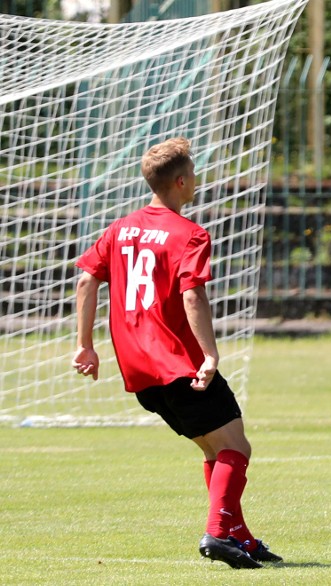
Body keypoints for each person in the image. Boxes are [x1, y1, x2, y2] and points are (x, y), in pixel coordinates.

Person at [71, 137, 281, 569]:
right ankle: (218, 533)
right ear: (182, 182)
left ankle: (238, 535)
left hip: (138, 370)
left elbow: (86, 281)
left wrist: (85, 345)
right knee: (236, 449)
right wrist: (209, 356)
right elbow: (193, 297)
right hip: (177, 360)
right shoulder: (189, 234)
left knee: (214, 449)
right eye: (195, 174)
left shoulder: (120, 228)